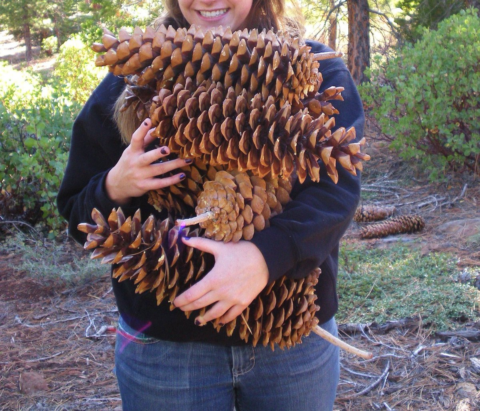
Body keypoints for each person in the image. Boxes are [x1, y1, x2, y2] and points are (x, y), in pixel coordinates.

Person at [57, 1, 364, 410]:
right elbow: (78, 210)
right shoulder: (135, 76)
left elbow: (335, 192)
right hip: (167, 351)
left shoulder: (312, 70)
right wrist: (116, 184)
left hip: (291, 342)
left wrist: (264, 258)